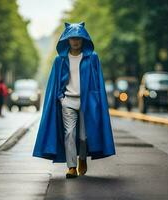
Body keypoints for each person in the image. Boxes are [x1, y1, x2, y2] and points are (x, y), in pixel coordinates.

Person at [33, 22, 115, 178]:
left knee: (84, 137)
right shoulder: (60, 60)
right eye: (72, 38)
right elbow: (55, 83)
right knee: (69, 133)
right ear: (67, 40)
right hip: (68, 101)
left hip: (87, 103)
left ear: (84, 39)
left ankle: (82, 159)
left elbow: (98, 82)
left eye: (78, 38)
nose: (75, 41)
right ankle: (71, 166)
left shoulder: (92, 58)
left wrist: (96, 100)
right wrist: (61, 98)